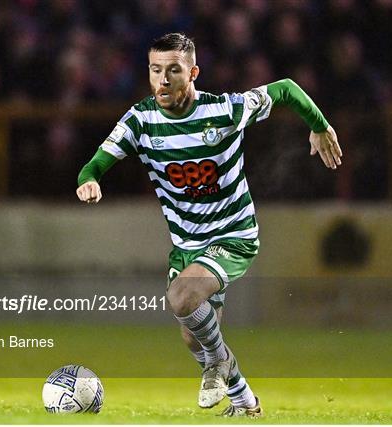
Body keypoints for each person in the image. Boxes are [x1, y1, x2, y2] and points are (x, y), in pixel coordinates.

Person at [76, 33, 342, 417]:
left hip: (233, 236)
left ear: (193, 72)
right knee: (192, 336)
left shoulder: (224, 110)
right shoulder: (140, 120)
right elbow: (96, 161)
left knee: (183, 298)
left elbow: (284, 89)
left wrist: (318, 125)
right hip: (187, 245)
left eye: (173, 71)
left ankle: (219, 366)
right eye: (155, 71)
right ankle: (245, 403)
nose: (163, 80)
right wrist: (90, 179)